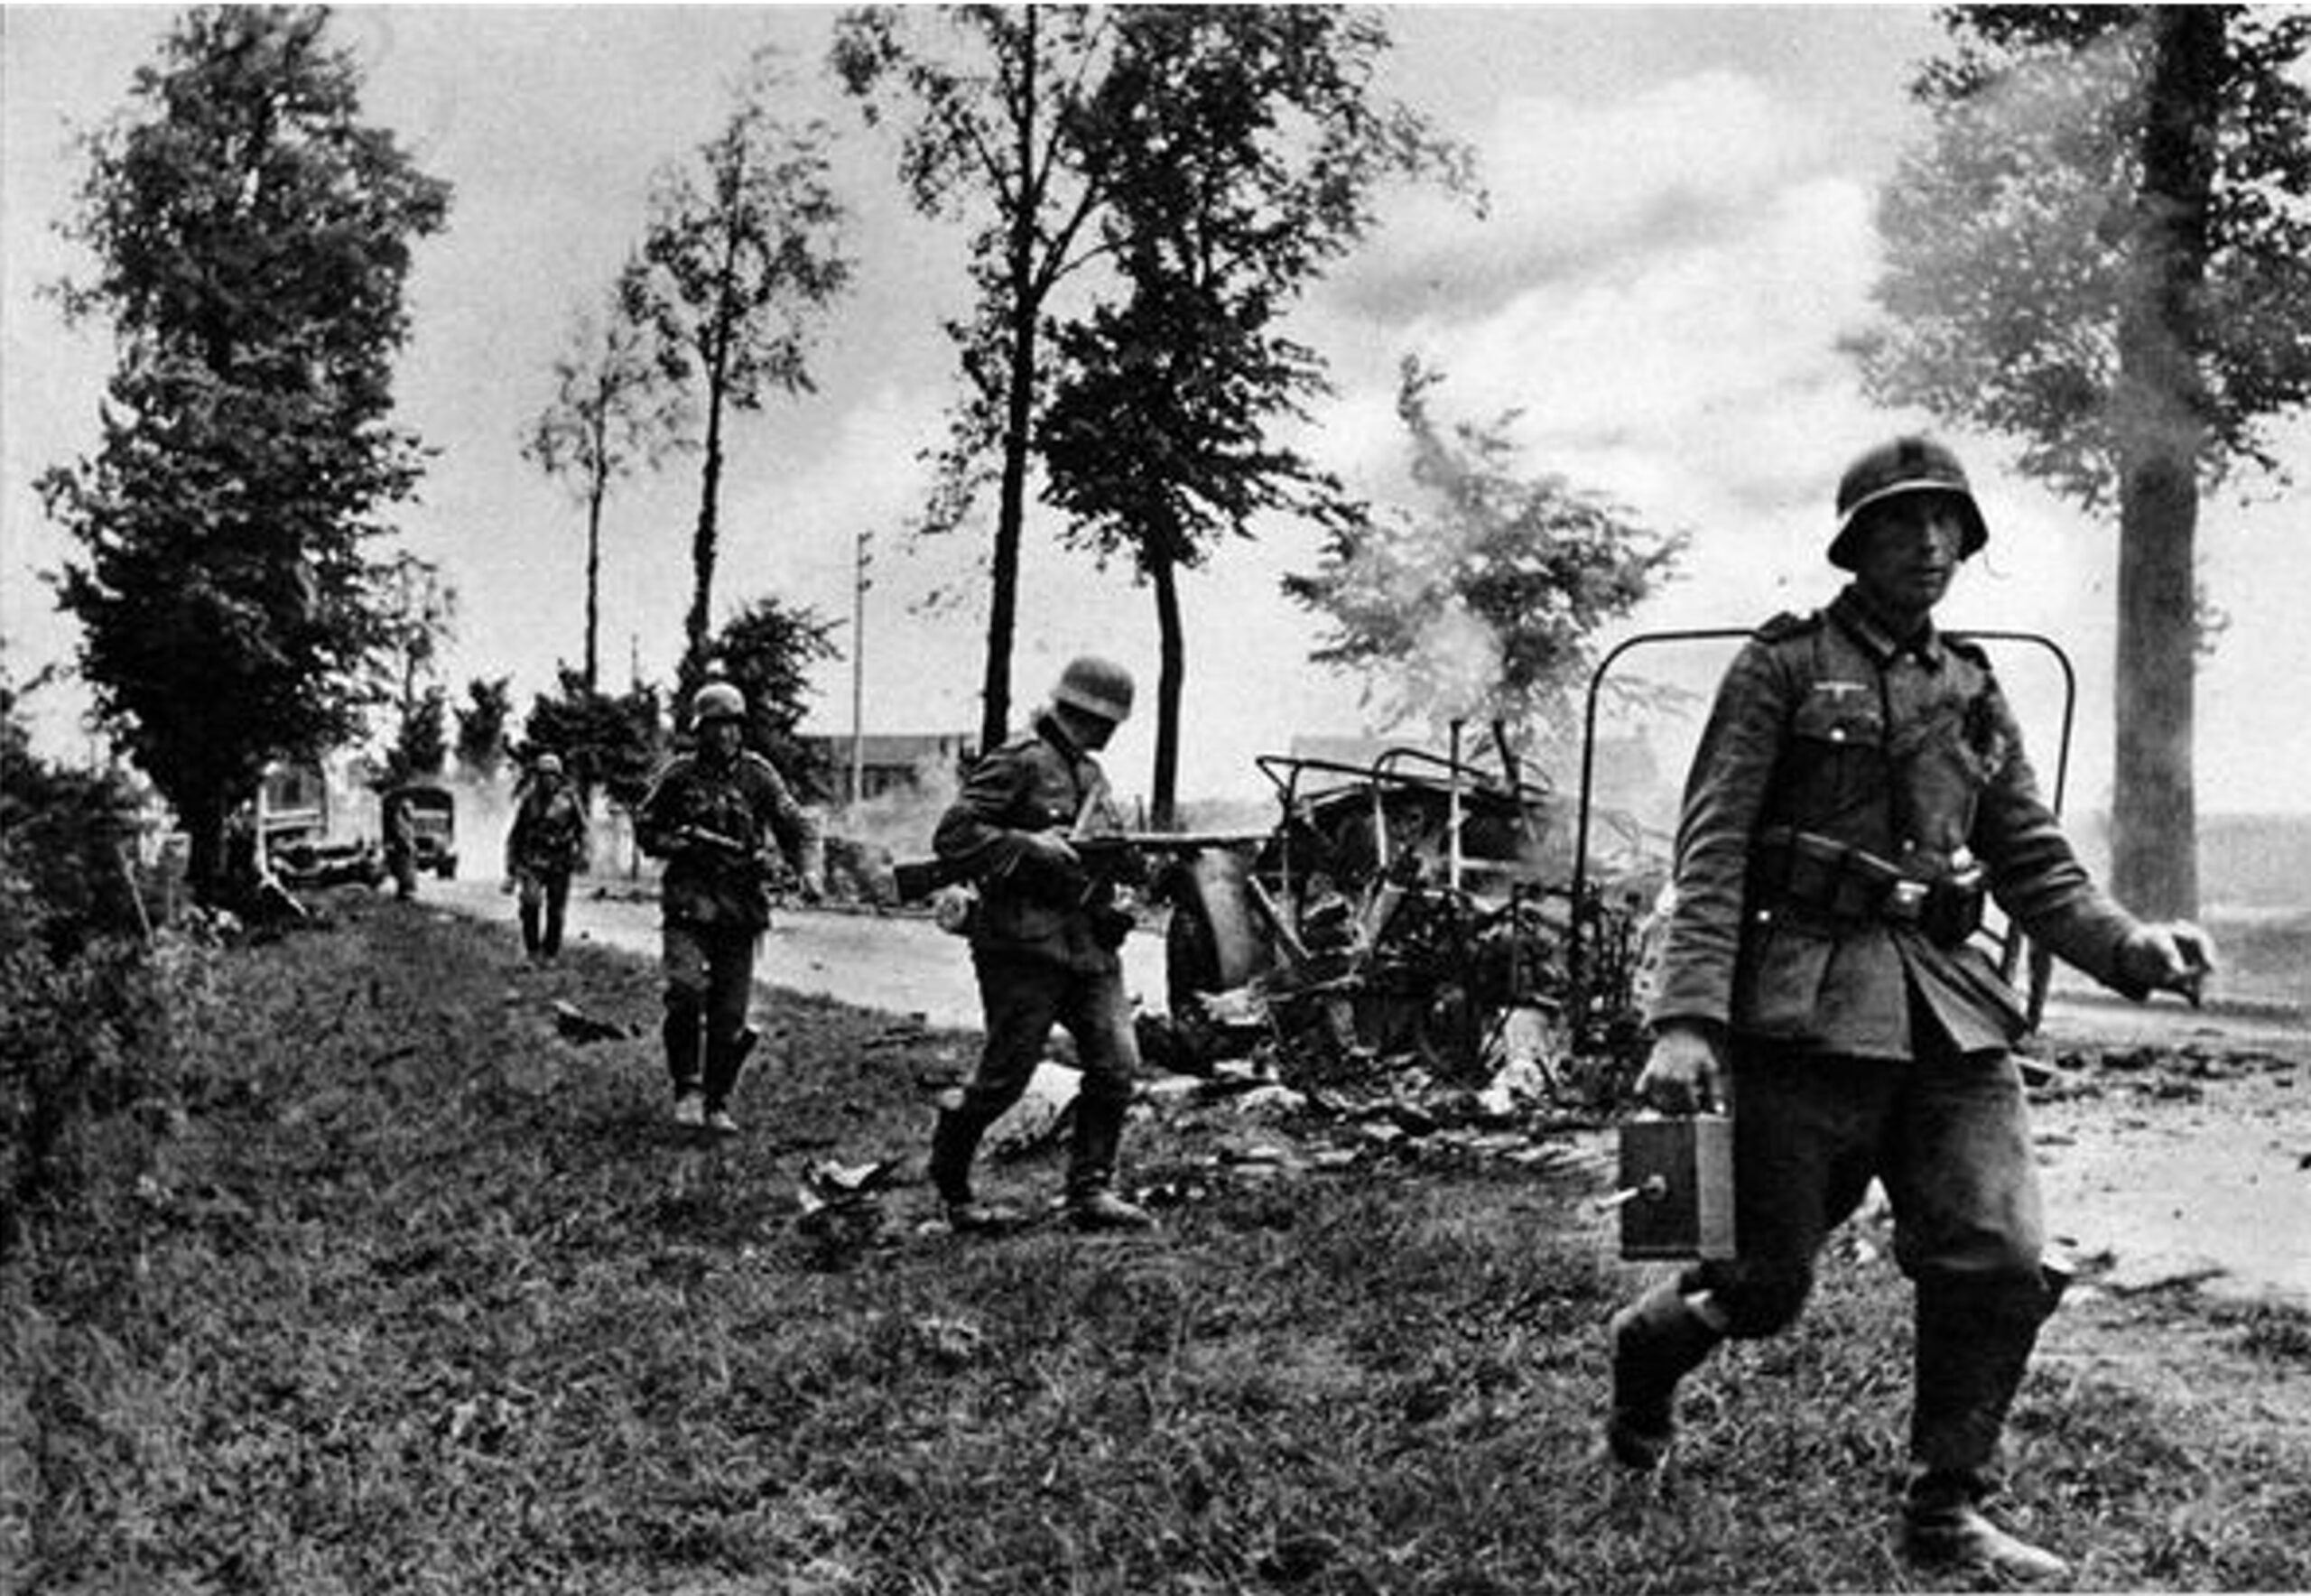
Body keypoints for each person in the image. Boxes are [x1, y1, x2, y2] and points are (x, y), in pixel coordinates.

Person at [1603, 436, 2215, 1582]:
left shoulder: (1971, 687)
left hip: (1948, 1014)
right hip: (1802, 1019)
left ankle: (1944, 1508)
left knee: (1998, 1252)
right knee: (1761, 1285)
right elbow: (1713, 848)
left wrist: (2130, 945)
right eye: (1901, 521)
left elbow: (2031, 859)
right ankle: (1646, 1350)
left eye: (1948, 524)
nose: (1930, 543)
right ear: (1854, 541)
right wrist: (1686, 1020)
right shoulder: (1781, 667)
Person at [925, 654, 1156, 1234]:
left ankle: (1090, 1190)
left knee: (1117, 1065)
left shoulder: (1092, 776)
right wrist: (1032, 845)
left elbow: (1105, 853)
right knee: (1003, 1080)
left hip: (1089, 946)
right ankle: (953, 1189)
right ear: (1084, 712)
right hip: (1022, 947)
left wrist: (1133, 870)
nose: (1111, 731)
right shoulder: (1019, 760)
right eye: (1108, 720)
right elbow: (954, 835)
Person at [635, 682, 825, 1137]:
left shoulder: (759, 775)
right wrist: (680, 844)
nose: (725, 735)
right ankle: (688, 1088)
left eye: (732, 726)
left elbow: (797, 826)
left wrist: (809, 872)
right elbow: (646, 827)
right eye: (715, 726)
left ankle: (717, 1101)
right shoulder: (679, 775)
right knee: (685, 989)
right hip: (689, 900)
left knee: (730, 1012)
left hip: (740, 906)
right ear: (699, 730)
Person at [503, 752, 589, 963]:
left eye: (551, 775)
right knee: (530, 904)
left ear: (559, 777)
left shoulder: (569, 800)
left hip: (560, 860)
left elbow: (583, 830)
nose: (547, 779)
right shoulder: (529, 800)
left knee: (556, 910)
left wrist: (583, 853)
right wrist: (511, 868)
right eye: (543, 775)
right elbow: (516, 835)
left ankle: (550, 953)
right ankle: (532, 951)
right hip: (533, 860)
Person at [383, 791, 418, 901]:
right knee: (404, 872)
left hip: (406, 852)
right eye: (409, 809)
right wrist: (408, 844)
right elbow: (400, 835)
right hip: (402, 851)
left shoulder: (406, 823)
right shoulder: (400, 822)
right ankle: (403, 892)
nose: (412, 812)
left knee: (408, 871)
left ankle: (406, 891)